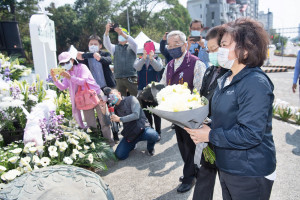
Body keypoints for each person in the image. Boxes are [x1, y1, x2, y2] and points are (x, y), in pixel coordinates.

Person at [185, 18, 276, 200]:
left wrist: (209, 135)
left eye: (224, 45)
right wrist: (203, 124)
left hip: (250, 171)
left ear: (245, 49)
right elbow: (225, 117)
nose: (219, 50)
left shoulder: (254, 83)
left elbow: (251, 133)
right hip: (228, 166)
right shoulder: (226, 78)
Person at [159, 30, 206, 193]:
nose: (171, 48)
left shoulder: (196, 63)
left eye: (176, 45)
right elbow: (163, 84)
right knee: (182, 145)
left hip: (191, 115)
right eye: (169, 45)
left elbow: (200, 90)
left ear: (185, 45)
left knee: (191, 146)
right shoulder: (170, 65)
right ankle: (192, 171)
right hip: (175, 115)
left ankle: (189, 177)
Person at [192, 25, 229, 200]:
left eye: (215, 49)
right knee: (204, 177)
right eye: (209, 50)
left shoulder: (233, 74)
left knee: (227, 183)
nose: (212, 53)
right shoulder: (210, 70)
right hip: (205, 133)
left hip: (222, 136)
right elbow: (202, 98)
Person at [50, 52, 115, 147]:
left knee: (104, 121)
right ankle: (97, 147)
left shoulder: (82, 67)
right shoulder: (67, 73)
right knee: (91, 125)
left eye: (66, 62)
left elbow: (83, 81)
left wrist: (70, 77)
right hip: (84, 100)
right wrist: (55, 79)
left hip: (96, 95)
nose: (65, 65)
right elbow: (63, 87)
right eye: (62, 64)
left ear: (72, 60)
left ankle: (110, 143)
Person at [102, 87, 159, 160]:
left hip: (143, 129)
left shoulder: (131, 99)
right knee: (120, 155)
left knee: (153, 135)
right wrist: (104, 112)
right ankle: (132, 145)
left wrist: (120, 119)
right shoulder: (114, 108)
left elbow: (136, 115)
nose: (112, 97)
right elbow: (108, 123)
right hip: (130, 134)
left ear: (119, 93)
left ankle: (150, 148)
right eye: (110, 97)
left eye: (113, 94)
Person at [134, 41, 163, 141]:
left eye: (151, 49)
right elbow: (136, 67)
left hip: (154, 91)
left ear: (154, 50)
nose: (149, 50)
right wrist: (144, 58)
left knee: (156, 113)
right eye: (146, 48)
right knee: (147, 113)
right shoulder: (139, 59)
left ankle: (158, 132)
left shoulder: (158, 59)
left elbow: (159, 68)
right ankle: (151, 132)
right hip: (142, 90)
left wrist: (152, 59)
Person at [103, 24, 138, 97]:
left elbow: (134, 43)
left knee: (135, 99)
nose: (121, 35)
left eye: (122, 33)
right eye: (119, 34)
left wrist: (122, 33)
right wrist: (107, 31)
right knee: (121, 100)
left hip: (131, 78)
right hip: (119, 79)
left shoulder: (132, 47)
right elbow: (106, 44)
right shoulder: (115, 48)